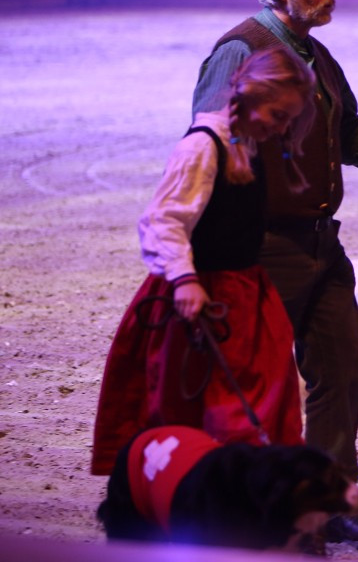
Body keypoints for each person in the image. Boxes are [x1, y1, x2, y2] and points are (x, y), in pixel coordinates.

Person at [191, 0, 358, 550]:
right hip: (262, 247)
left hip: (321, 242)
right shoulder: (239, 51)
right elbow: (207, 143)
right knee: (256, 387)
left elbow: (346, 132)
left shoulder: (317, 57)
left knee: (344, 369)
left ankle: (331, 501)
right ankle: (247, 508)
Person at [92, 46, 316, 476]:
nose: (281, 127)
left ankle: (250, 500)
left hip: (246, 299)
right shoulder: (203, 147)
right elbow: (164, 219)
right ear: (249, 95)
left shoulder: (248, 143)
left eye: (288, 118)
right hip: (205, 299)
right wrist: (184, 279)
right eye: (277, 114)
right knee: (207, 409)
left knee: (261, 402)